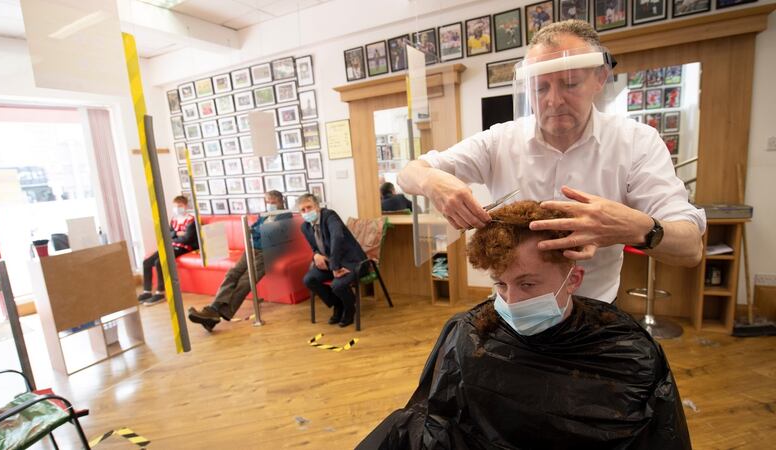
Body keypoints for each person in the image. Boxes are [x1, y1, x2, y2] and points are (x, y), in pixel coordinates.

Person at [397, 20, 706, 303]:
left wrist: (634, 227)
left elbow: (690, 247)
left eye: (569, 84)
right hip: (513, 308)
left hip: (591, 312)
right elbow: (409, 173)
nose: (553, 100)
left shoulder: (637, 143)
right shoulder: (499, 141)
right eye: (540, 87)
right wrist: (431, 181)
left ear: (600, 78)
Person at [357, 201, 691, 449]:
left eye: (528, 284)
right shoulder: (469, 333)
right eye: (500, 284)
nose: (511, 301)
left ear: (574, 278)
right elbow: (436, 426)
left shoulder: (628, 355)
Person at [187, 191, 292, 332]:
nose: (270, 205)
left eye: (273, 202)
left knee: (245, 280)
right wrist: (258, 232)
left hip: (268, 253)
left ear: (280, 201)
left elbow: (270, 235)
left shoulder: (286, 215)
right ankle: (214, 310)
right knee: (232, 274)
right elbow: (253, 230)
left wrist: (258, 232)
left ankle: (214, 313)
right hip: (251, 249)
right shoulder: (264, 215)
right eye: (268, 202)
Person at [298, 194, 367, 328]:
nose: (306, 212)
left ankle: (350, 309)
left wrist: (335, 266)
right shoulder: (305, 227)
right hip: (329, 263)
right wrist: (316, 255)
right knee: (309, 280)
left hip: (351, 261)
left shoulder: (330, 216)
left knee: (337, 285)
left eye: (309, 207)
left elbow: (337, 238)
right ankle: (338, 304)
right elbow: (314, 247)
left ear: (317, 207)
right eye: (303, 210)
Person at [138, 195, 197, 306]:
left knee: (159, 262)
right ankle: (147, 291)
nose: (177, 208)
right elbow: (168, 235)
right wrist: (176, 233)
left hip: (183, 247)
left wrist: (175, 236)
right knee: (147, 262)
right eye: (175, 206)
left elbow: (187, 238)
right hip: (171, 245)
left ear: (186, 206)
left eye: (180, 206)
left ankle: (160, 292)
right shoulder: (174, 220)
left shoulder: (191, 220)